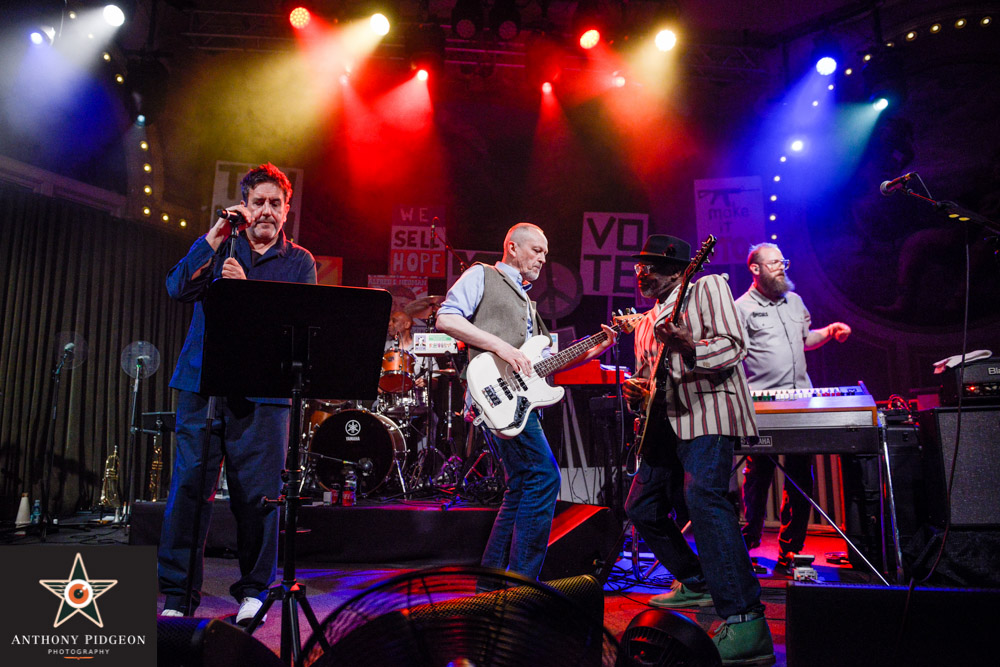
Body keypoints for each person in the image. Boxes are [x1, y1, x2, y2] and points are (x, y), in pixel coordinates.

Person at [158, 163, 317, 624]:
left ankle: (253, 591)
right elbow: (176, 287)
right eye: (258, 202)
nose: (266, 211)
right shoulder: (221, 246)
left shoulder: (298, 261)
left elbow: (298, 331)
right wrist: (212, 235)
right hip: (202, 387)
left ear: (287, 210)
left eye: (275, 203)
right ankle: (178, 595)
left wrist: (246, 295)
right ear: (244, 207)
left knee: (258, 497)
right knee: (189, 490)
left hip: (264, 394)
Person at [435, 222, 618, 581]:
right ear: (512, 247)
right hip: (494, 395)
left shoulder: (527, 301)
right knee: (545, 476)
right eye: (537, 251)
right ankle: (522, 584)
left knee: (521, 485)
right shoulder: (482, 275)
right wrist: (500, 346)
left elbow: (547, 362)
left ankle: (493, 582)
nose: (543, 259)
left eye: (546, 254)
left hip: (516, 400)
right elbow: (446, 317)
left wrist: (598, 347)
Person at [623, 235, 773, 665]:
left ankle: (746, 620)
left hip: (709, 413)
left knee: (704, 498)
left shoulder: (708, 287)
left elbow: (733, 345)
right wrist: (638, 391)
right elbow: (651, 380)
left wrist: (690, 344)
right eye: (637, 267)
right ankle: (696, 579)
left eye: (648, 266)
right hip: (666, 424)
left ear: (676, 269)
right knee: (643, 507)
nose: (640, 273)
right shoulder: (649, 320)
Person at [735, 243, 851, 568]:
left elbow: (805, 340)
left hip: (801, 401)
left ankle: (791, 550)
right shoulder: (740, 308)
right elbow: (731, 354)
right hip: (762, 407)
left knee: (801, 476)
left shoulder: (795, 301)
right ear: (755, 269)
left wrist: (828, 332)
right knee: (758, 476)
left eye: (783, 261)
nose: (782, 267)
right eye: (773, 263)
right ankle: (749, 545)